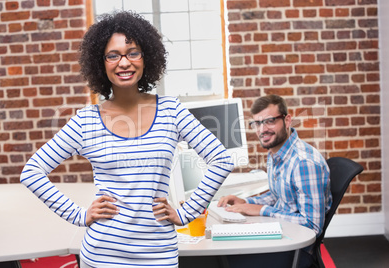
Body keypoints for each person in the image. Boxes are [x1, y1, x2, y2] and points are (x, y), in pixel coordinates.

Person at [20, 11, 233, 268]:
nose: (124, 62)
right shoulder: (86, 121)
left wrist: (186, 213)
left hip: (158, 257)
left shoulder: (171, 111)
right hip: (102, 256)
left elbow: (221, 159)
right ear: (101, 63)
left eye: (133, 52)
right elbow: (32, 171)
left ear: (146, 58)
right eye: (113, 55)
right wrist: (79, 215)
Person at [218, 94, 332, 268]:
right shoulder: (276, 152)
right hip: (282, 234)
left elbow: (312, 225)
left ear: (287, 121)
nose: (262, 130)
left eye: (269, 121)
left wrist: (262, 210)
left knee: (221, 258)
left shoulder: (303, 163)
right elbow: (279, 194)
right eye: (256, 123)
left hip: (293, 250)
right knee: (223, 248)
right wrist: (246, 202)